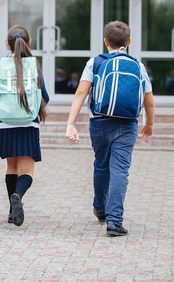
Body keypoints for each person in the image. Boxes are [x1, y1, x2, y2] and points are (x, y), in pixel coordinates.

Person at [66, 21, 154, 236]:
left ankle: (100, 207)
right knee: (120, 171)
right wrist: (149, 124)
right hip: (127, 124)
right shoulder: (138, 66)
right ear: (129, 42)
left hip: (99, 122)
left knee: (101, 165)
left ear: (106, 42)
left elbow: (81, 93)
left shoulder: (95, 63)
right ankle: (114, 221)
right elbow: (148, 101)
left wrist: (71, 123)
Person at [0, 25, 49, 227]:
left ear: (7, 45)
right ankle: (18, 196)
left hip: (4, 123)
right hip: (28, 122)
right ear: (28, 44)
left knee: (11, 166)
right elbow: (44, 97)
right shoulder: (34, 67)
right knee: (26, 171)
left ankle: (12, 212)